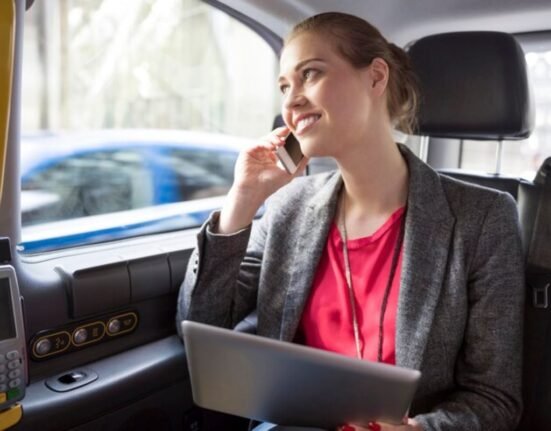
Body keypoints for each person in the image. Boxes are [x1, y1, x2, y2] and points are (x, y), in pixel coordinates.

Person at [176, 12, 524, 431]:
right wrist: (243, 199)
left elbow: (494, 398)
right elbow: (198, 324)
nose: (291, 102)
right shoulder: (287, 207)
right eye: (285, 86)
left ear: (376, 77)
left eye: (311, 74)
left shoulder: (483, 219)